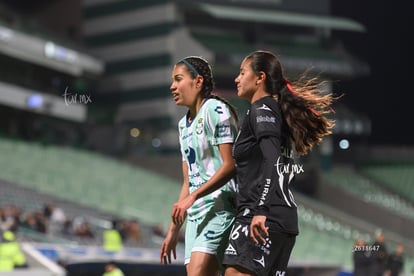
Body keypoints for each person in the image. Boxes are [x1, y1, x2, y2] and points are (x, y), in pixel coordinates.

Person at [223, 50, 336, 276]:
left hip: (261, 218)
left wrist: (260, 210)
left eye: (242, 72)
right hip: (282, 221)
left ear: (260, 77)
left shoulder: (261, 109)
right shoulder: (276, 113)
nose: (237, 78)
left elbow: (272, 160)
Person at [160, 56, 239, 276]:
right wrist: (173, 231)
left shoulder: (215, 110)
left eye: (178, 79)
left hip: (220, 207)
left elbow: (230, 165)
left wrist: (193, 197)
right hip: (195, 216)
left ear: (198, 81)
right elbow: (189, 181)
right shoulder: (182, 126)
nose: (172, 86)